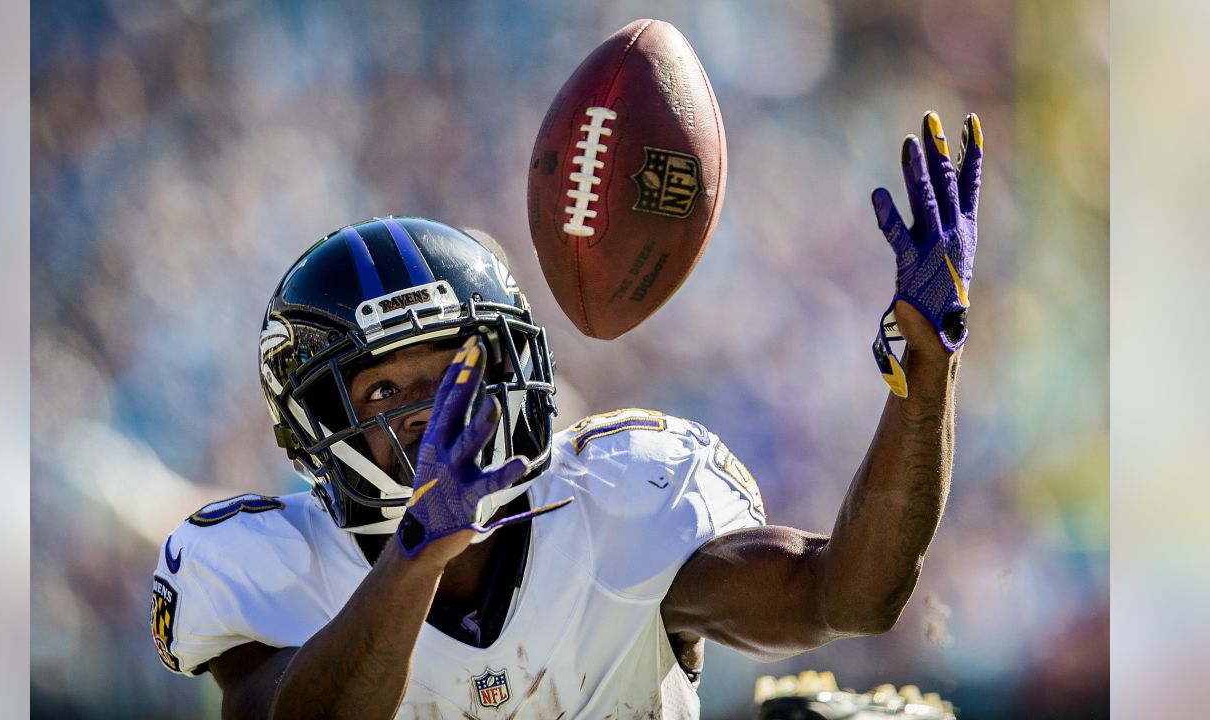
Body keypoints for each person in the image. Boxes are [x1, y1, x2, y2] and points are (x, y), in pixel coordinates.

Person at [149, 110, 983, 719]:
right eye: (382, 392)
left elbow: (848, 597)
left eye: (454, 370)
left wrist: (929, 374)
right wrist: (415, 560)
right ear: (320, 424)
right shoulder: (274, 562)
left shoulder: (619, 501)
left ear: (515, 372)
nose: (427, 410)